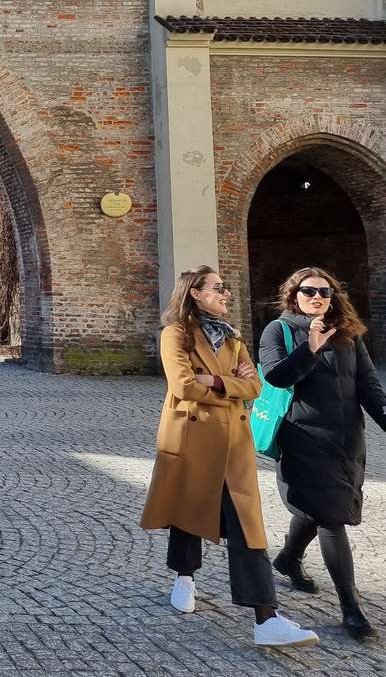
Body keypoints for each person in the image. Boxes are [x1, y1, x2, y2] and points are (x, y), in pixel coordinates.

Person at [139, 266, 318, 649]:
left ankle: (265, 618)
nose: (226, 293)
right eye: (218, 288)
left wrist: (218, 381)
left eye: (225, 287)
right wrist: (226, 385)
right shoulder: (175, 335)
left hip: (234, 442)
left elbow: (254, 386)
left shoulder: (233, 337)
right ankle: (184, 576)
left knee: (246, 525)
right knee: (189, 511)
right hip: (191, 439)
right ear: (194, 293)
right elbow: (183, 385)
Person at [258, 267, 386, 639]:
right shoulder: (277, 331)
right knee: (332, 518)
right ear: (293, 294)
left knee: (321, 509)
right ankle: (351, 607)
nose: (317, 297)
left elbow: (368, 385)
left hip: (347, 439)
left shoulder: (347, 333)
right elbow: (276, 376)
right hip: (302, 438)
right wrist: (309, 348)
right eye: (309, 290)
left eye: (325, 292)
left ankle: (287, 559)